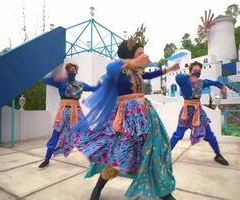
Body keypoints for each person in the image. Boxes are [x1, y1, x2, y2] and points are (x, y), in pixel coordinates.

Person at [71, 25, 179, 200]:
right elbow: (111, 68)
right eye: (139, 52)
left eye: (143, 52)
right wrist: (132, 62)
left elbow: (149, 75)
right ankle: (98, 188)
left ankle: (164, 192)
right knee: (120, 154)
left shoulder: (137, 72)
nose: (143, 55)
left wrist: (168, 69)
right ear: (130, 54)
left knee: (153, 149)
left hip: (145, 114)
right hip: (126, 116)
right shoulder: (118, 68)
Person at [38, 63, 99, 168]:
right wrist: (55, 74)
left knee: (87, 134)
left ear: (77, 72)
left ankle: (95, 159)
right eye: (70, 70)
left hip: (77, 112)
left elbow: (93, 88)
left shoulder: (80, 84)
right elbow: (45, 80)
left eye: (75, 70)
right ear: (66, 71)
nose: (73, 72)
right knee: (56, 134)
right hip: (63, 112)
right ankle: (47, 159)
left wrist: (102, 85)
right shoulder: (61, 82)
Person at [170, 61, 229, 166]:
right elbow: (177, 77)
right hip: (186, 112)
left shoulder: (201, 82)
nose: (197, 73)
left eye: (199, 71)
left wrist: (222, 86)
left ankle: (218, 155)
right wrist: (189, 76)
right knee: (178, 135)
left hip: (198, 112)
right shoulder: (183, 80)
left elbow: (214, 82)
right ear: (190, 71)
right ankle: (165, 155)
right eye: (195, 71)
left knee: (210, 135)